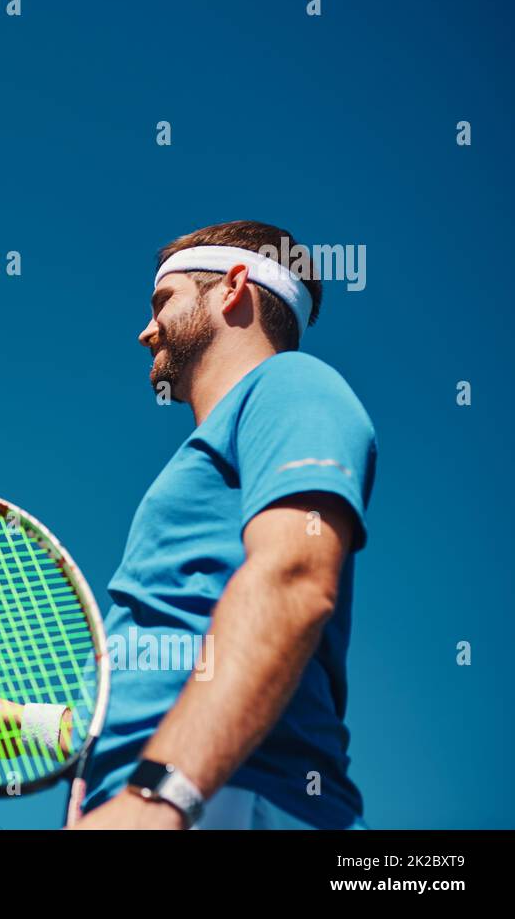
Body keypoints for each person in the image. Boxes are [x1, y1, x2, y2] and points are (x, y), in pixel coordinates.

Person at [74, 220, 374, 830]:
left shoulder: (292, 384)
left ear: (233, 286)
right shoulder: (202, 455)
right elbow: (172, 663)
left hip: (235, 799)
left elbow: (293, 578)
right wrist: (43, 727)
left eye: (164, 302)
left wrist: (160, 795)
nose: (145, 330)